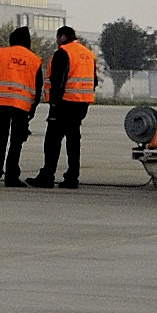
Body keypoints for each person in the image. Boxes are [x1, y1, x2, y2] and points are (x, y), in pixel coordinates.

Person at [29, 24, 96, 189]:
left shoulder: (63, 53)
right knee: (73, 141)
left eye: (58, 38)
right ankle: (72, 177)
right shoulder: (88, 54)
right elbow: (94, 80)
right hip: (82, 103)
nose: (57, 41)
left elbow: (58, 80)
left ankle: (47, 176)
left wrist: (53, 102)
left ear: (63, 37)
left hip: (64, 103)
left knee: (52, 140)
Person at [0, 25, 42, 187]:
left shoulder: (3, 54)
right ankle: (12, 176)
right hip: (23, 106)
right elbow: (38, 87)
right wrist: (33, 108)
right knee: (16, 142)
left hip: (3, 103)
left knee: (0, 139)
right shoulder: (34, 60)